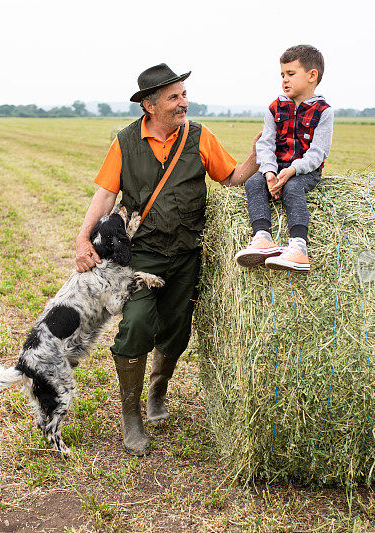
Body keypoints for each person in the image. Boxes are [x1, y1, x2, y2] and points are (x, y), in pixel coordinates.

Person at [74, 63, 258, 456]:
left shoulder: (199, 136)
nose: (183, 103)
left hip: (189, 251)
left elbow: (230, 177)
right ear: (149, 104)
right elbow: (105, 195)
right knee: (137, 323)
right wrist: (82, 239)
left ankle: (158, 388)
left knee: (177, 328)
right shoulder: (125, 142)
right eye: (174, 97)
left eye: (184, 95)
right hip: (141, 255)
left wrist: (260, 155)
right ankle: (131, 417)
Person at [234, 44, 334, 272]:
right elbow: (266, 143)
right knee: (253, 183)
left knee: (292, 188)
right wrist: (269, 171)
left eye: (290, 74)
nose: (284, 80)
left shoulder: (324, 111)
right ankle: (263, 238)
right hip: (277, 165)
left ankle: (299, 246)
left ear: (312, 75)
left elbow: (318, 153)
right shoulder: (274, 107)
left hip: (305, 170)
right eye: (282, 75)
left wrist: (293, 170)